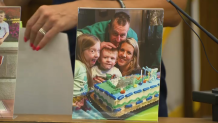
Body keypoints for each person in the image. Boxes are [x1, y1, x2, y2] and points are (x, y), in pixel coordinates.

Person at [2, 0, 188, 117]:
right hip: (56, 80)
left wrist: (83, 7)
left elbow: (176, 8)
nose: (117, 41)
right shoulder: (93, 41)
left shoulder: (130, 43)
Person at [73, 33, 104, 119]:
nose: (97, 55)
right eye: (92, 51)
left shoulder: (86, 67)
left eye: (98, 51)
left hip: (83, 102)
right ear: (81, 51)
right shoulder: (77, 65)